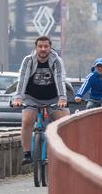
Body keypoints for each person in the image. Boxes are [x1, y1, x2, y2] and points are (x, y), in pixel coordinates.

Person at [10, 35, 68, 164]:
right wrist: (18, 97)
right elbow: (22, 78)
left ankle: (62, 153)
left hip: (53, 98)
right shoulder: (28, 60)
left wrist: (62, 98)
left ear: (50, 47)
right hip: (32, 97)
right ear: (35, 48)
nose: (43, 49)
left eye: (46, 46)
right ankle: (27, 154)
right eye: (40, 46)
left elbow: (60, 78)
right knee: (27, 120)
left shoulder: (56, 61)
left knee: (65, 121)